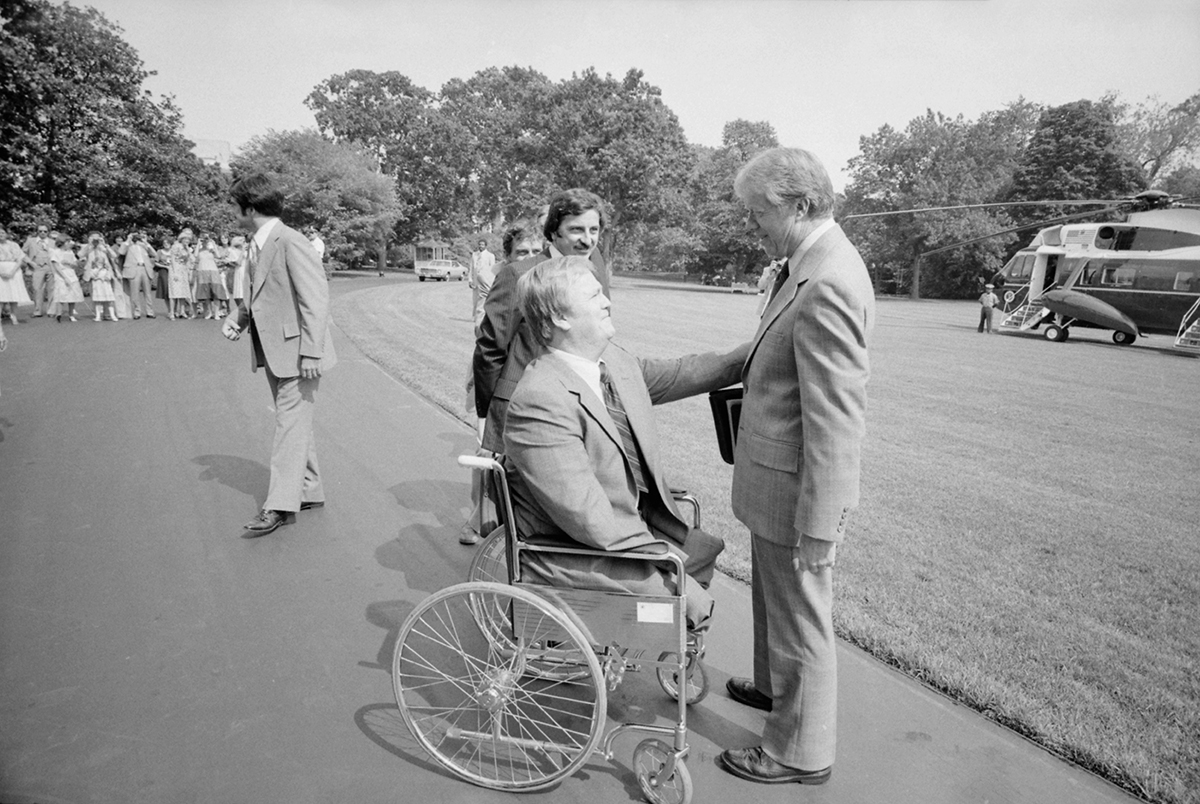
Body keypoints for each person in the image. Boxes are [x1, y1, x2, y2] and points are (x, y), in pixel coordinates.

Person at [719, 147, 875, 786]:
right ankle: (772, 690)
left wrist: (821, 525)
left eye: (760, 213)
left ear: (802, 204)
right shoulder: (803, 264)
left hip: (795, 494)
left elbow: (837, 419)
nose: (754, 224)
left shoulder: (829, 279)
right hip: (770, 480)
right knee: (772, 602)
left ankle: (797, 753)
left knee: (801, 618)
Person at [503, 256, 748, 629]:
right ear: (559, 318)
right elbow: (588, 518)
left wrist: (757, 350)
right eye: (594, 295)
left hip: (630, 528)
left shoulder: (614, 364)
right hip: (576, 551)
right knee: (688, 600)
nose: (607, 302)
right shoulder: (540, 399)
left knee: (702, 551)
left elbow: (684, 373)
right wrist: (664, 559)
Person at [222, 172, 336, 536]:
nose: (233, 214)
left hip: (299, 354)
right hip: (274, 351)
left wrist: (313, 353)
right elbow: (258, 293)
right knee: (296, 423)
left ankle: (279, 506)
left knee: (288, 426)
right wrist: (238, 319)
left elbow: (315, 298)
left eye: (236, 207)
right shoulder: (256, 243)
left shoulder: (291, 241)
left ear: (251, 208)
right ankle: (309, 489)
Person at [473, 189, 613, 454]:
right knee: (511, 492)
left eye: (593, 230)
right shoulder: (519, 274)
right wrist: (487, 414)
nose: (587, 240)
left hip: (579, 404)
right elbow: (490, 349)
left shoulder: (596, 265)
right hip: (519, 407)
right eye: (576, 230)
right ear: (554, 232)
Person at [459, 221, 544, 546]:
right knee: (487, 451)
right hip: (491, 373)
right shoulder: (499, 278)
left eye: (536, 252)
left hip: (518, 374)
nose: (529, 258)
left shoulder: (540, 282)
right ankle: (478, 521)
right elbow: (488, 340)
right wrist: (487, 405)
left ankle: (490, 521)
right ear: (507, 256)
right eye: (522, 252)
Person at [79, 232, 119, 322]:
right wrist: (89, 244)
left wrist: (105, 245)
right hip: (92, 273)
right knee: (95, 293)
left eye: (97, 238)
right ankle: (98, 314)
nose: (95, 240)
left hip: (105, 272)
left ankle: (107, 313)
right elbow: (80, 255)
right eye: (93, 238)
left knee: (107, 293)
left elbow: (114, 256)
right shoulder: (88, 247)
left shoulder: (104, 247)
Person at [119, 232, 158, 319]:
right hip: (134, 269)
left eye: (138, 236)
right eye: (134, 236)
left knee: (148, 292)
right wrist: (128, 239)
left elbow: (154, 254)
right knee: (135, 292)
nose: (136, 238)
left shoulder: (143, 245)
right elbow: (121, 252)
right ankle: (137, 312)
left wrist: (146, 242)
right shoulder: (127, 245)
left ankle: (150, 311)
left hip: (145, 268)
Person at [0, 226, 33, 325]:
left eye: (2, 233)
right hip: (1, 271)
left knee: (13, 295)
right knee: (1, 295)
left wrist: (12, 272)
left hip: (14, 271)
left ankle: (13, 315)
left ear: (6, 234)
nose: (0, 235)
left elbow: (20, 259)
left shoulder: (14, 245)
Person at [23, 224, 55, 317]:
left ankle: (51, 311)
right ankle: (37, 311)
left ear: (48, 232)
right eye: (40, 231)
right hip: (37, 267)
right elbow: (22, 252)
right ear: (37, 231)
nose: (42, 233)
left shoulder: (52, 242)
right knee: (37, 289)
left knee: (51, 289)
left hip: (50, 266)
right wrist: (30, 262)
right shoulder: (31, 241)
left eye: (45, 231)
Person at [49, 234, 84, 322]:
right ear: (63, 243)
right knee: (61, 294)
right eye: (68, 242)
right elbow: (56, 265)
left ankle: (71, 314)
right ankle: (59, 314)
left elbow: (75, 264)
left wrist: (69, 263)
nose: (70, 243)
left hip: (71, 273)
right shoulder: (56, 252)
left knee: (72, 295)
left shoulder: (70, 252)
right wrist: (64, 277)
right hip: (61, 274)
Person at [193, 234, 228, 320]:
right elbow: (195, 255)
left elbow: (218, 256)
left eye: (206, 240)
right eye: (204, 240)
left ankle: (216, 313)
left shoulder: (211, 250)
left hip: (213, 271)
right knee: (206, 293)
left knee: (216, 292)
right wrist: (198, 243)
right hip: (202, 271)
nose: (205, 241)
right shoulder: (200, 250)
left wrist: (213, 243)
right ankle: (209, 312)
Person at [167, 229, 195, 320]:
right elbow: (173, 259)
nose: (187, 241)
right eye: (185, 239)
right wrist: (175, 272)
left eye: (188, 239)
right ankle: (172, 312)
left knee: (183, 291)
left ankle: (182, 311)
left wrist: (188, 250)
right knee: (174, 291)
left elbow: (191, 259)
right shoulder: (176, 246)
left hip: (183, 269)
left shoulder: (186, 248)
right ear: (181, 239)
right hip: (176, 268)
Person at [469, 238, 495, 319]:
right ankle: (475, 317)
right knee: (475, 300)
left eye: (482, 245)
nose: (481, 246)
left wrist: (491, 282)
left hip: (485, 282)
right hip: (475, 281)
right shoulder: (474, 255)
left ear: (486, 246)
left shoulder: (490, 256)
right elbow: (471, 268)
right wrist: (470, 279)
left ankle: (483, 317)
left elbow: (492, 270)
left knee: (483, 300)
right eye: (479, 244)